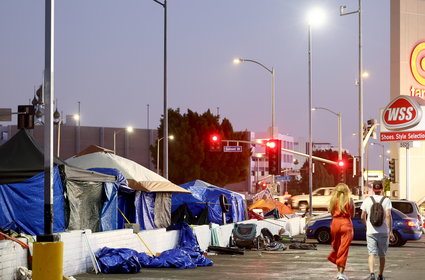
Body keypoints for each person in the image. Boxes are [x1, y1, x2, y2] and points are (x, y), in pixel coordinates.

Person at [361, 181, 394, 280]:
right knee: (382, 255)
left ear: (372, 189)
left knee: (371, 254)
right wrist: (390, 231)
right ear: (382, 189)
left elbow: (362, 216)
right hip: (383, 231)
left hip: (371, 231)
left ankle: (372, 274)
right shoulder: (386, 200)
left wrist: (367, 225)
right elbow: (388, 215)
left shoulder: (367, 200)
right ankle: (380, 275)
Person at [327, 183, 355, 280]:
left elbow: (331, 212)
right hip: (346, 224)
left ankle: (339, 271)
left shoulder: (333, 200)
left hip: (335, 223)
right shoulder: (349, 200)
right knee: (343, 249)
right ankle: (340, 273)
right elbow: (353, 214)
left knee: (337, 247)